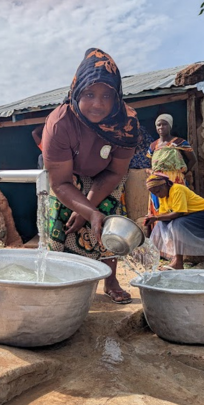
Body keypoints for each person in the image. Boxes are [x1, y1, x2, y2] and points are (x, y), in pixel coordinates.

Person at [38, 48, 140, 304]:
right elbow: (60, 182)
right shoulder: (60, 122)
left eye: (107, 95)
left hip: (105, 175)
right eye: (89, 93)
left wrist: (92, 207)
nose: (98, 103)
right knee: (61, 224)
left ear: (117, 96)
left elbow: (116, 171)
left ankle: (111, 279)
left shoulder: (127, 125)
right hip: (67, 176)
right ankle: (62, 280)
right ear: (76, 91)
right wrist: (86, 211)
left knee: (110, 220)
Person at [144, 173, 204, 270]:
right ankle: (169, 258)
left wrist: (156, 218)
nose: (158, 195)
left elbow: (179, 213)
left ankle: (178, 262)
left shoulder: (177, 189)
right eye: (155, 193)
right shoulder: (164, 196)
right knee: (162, 223)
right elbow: (164, 214)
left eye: (158, 191)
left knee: (178, 224)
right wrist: (153, 217)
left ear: (165, 185)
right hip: (193, 215)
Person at [146, 114, 196, 227]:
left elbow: (192, 160)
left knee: (176, 206)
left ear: (170, 126)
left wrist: (184, 172)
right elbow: (150, 164)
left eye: (164, 124)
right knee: (158, 206)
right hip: (157, 181)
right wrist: (151, 173)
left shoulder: (180, 142)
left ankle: (179, 233)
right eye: (159, 125)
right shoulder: (153, 146)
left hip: (175, 179)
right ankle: (159, 234)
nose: (161, 127)